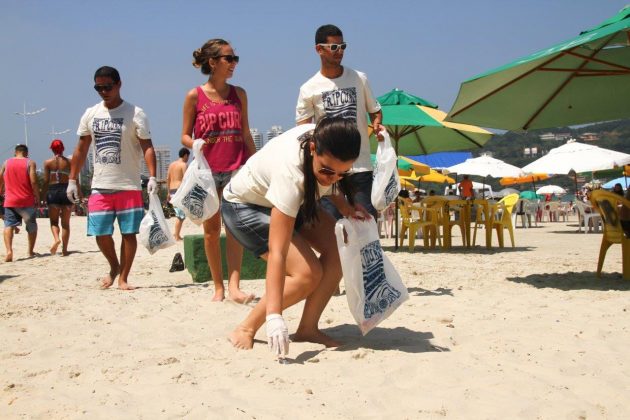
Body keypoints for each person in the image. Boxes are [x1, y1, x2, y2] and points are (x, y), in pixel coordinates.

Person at [222, 118, 368, 355]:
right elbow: (277, 252)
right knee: (306, 274)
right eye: (327, 170)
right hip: (245, 206)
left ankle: (308, 328)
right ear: (312, 149)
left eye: (342, 174)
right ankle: (246, 328)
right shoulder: (291, 175)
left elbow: (330, 181)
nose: (332, 179)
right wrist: (274, 316)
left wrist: (346, 207)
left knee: (339, 249)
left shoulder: (325, 140)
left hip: (293, 200)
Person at [67, 66, 157, 290]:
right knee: (100, 232)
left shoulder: (136, 113)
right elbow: (80, 149)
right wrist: (72, 179)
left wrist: (153, 176)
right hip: (100, 185)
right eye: (99, 87)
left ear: (119, 84)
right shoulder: (91, 113)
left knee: (128, 233)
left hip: (129, 185)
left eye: (108, 86)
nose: (103, 91)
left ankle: (124, 277)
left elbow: (147, 147)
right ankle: (114, 266)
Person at [181, 38, 257, 304]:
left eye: (235, 58)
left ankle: (235, 286)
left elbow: (245, 132)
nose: (234, 63)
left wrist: (256, 163)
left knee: (235, 229)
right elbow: (184, 135)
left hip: (237, 168)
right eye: (229, 58)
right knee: (211, 232)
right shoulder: (195, 96)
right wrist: (195, 143)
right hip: (207, 172)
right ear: (213, 62)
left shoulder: (240, 94)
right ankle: (218, 287)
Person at [296, 24, 383, 220]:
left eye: (343, 46)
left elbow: (375, 111)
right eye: (334, 47)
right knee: (332, 228)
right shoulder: (308, 88)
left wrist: (376, 124)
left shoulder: (359, 78)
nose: (340, 51)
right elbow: (302, 130)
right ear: (319, 49)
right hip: (328, 168)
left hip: (359, 165)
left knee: (365, 224)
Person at [0, 144, 40, 262]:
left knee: (9, 225)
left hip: (10, 200)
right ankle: (30, 251)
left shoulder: (6, 162)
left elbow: (0, 176)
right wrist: (37, 195)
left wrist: (1, 188)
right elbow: (33, 180)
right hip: (26, 200)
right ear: (26, 153)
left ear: (15, 152)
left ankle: (9, 251)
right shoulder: (30, 162)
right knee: (31, 225)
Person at [42, 139, 74, 256]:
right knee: (66, 224)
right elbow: (74, 179)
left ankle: (56, 239)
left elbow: (46, 181)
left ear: (52, 149)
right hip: (66, 191)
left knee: (54, 221)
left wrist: (42, 195)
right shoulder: (70, 162)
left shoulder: (47, 163)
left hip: (53, 191)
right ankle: (65, 250)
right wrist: (79, 193)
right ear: (63, 148)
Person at [166, 147, 190, 241]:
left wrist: (168, 192)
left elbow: (167, 178)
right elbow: (186, 179)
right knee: (180, 216)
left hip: (172, 191)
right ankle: (176, 236)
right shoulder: (184, 165)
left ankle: (176, 234)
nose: (188, 158)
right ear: (185, 155)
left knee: (179, 214)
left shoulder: (172, 164)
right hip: (179, 191)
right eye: (188, 156)